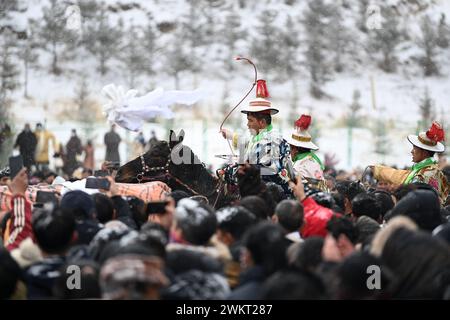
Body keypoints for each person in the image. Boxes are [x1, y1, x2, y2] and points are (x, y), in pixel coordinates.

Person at [220, 79, 289, 184]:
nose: (248, 124)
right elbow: (249, 144)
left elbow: (268, 172)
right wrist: (231, 136)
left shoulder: (271, 141)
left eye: (250, 120)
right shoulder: (261, 137)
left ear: (262, 122)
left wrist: (230, 172)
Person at [371, 121, 449, 205]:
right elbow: (400, 176)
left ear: (424, 153)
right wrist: (378, 170)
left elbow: (413, 201)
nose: (412, 151)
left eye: (415, 148)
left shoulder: (423, 174)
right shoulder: (430, 169)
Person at [284, 114, 325, 186]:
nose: (290, 152)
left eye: (290, 148)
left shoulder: (299, 166)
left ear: (295, 149)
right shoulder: (314, 160)